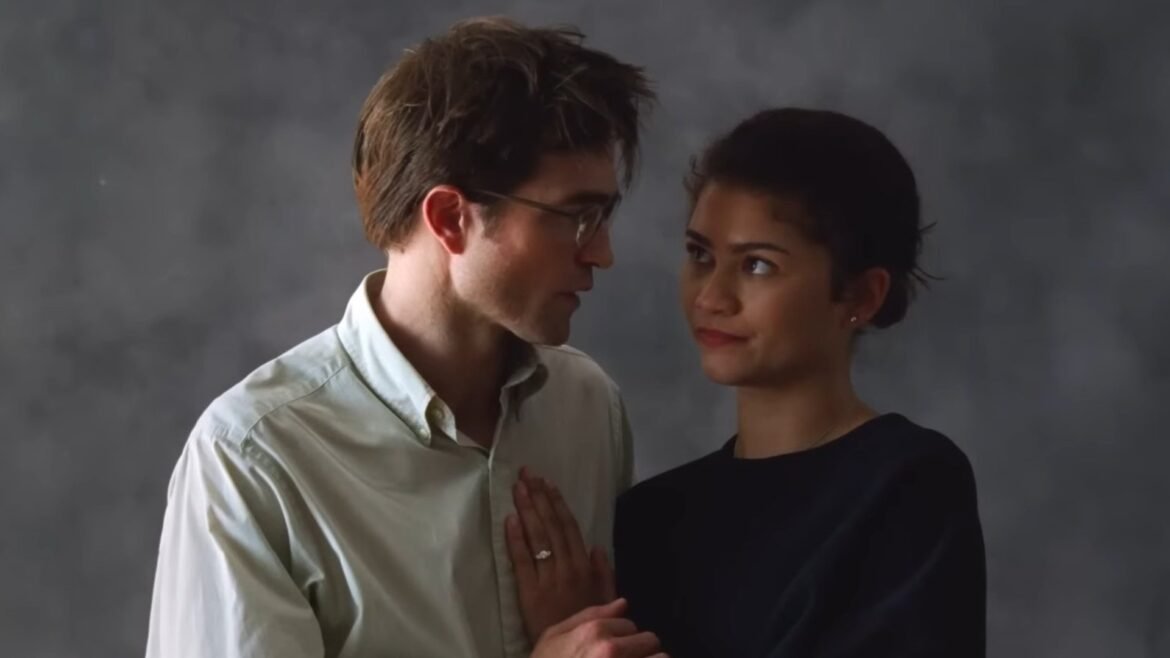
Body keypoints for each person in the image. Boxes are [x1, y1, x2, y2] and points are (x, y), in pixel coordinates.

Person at [145, 17, 663, 658]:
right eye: (576, 217)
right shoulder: (254, 459)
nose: (603, 253)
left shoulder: (587, 406)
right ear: (449, 218)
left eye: (604, 215)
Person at [506, 108, 986, 657]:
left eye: (757, 265)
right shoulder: (651, 519)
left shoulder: (908, 486)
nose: (711, 297)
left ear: (860, 295)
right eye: (700, 255)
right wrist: (572, 633)